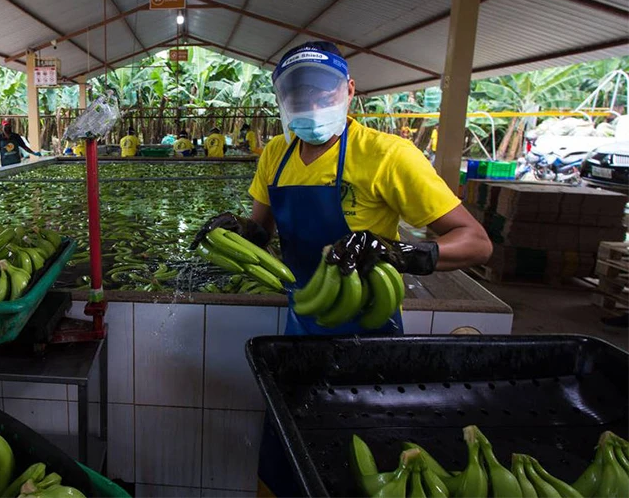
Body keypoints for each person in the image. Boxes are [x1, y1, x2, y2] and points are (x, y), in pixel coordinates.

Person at [190, 42, 492, 494]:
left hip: (369, 333)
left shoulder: (388, 155)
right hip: (299, 328)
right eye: (298, 97)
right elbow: (261, 228)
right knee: (286, 451)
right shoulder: (277, 153)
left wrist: (397, 252)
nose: (311, 106)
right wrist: (235, 233)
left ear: (349, 90)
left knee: (358, 455)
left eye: (322, 94)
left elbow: (476, 242)